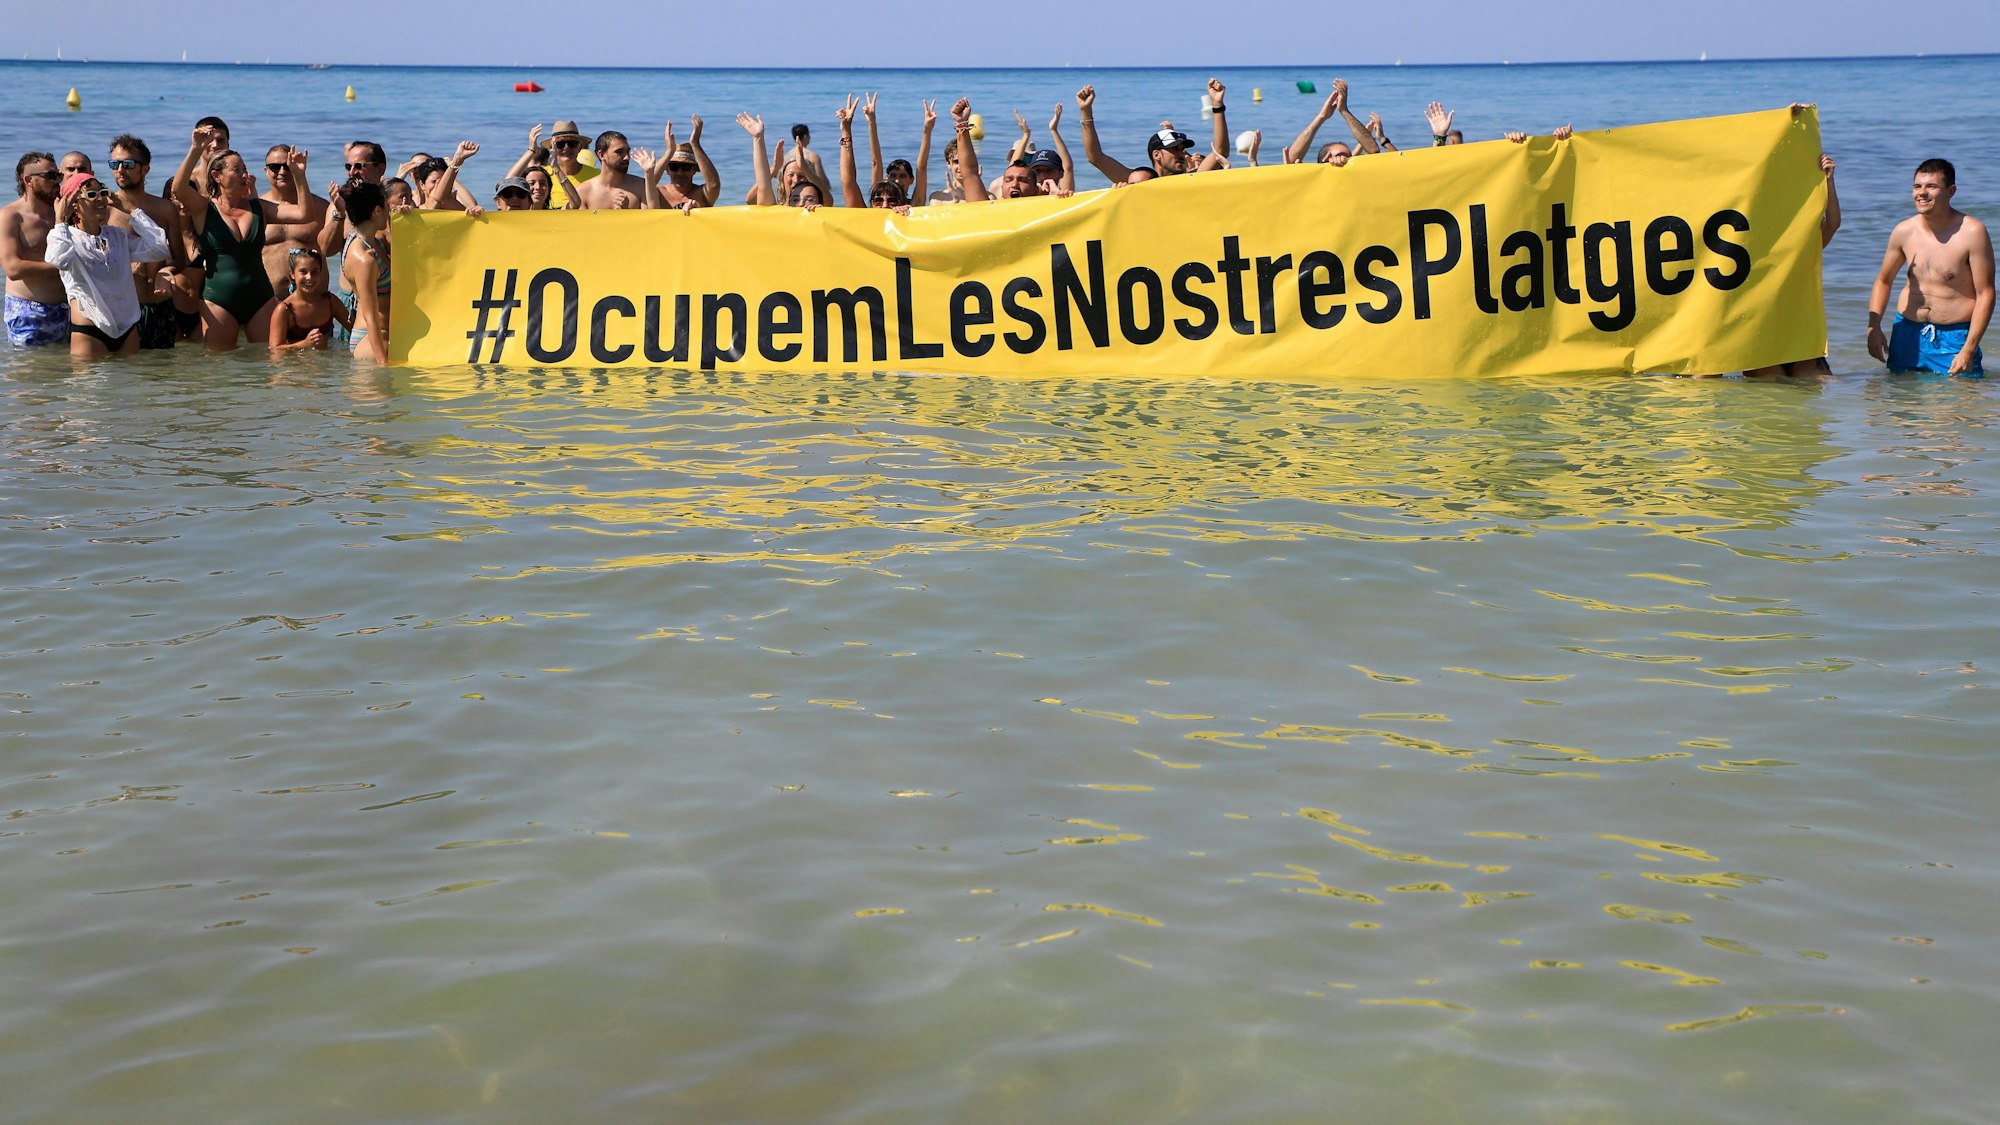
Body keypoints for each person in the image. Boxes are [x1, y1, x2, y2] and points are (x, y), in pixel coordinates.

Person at [168, 125, 318, 348]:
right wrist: (195, 149)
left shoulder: (260, 208)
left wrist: (299, 176)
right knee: (220, 370)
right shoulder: (203, 209)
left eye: (245, 169)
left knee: (267, 364)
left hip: (260, 298)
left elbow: (305, 213)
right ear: (217, 176)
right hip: (218, 299)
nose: (244, 174)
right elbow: (178, 188)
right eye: (237, 170)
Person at [1867, 158, 1994, 376]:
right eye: (1917, 186)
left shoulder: (1972, 232)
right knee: (1902, 403)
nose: (1922, 193)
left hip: (1954, 337)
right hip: (1907, 333)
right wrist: (1874, 327)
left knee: (1959, 406)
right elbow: (1883, 280)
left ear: (1950, 191)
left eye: (1931, 186)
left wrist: (1969, 348)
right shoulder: (1904, 231)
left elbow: (1986, 293)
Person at [46, 171, 172, 357]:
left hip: (127, 328)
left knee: (129, 385)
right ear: (74, 205)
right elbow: (58, 260)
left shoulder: (117, 236)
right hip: (89, 329)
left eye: (103, 193)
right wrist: (60, 221)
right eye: (91, 194)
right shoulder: (64, 237)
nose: (100, 199)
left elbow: (159, 248)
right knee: (92, 387)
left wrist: (132, 211)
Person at [105, 134, 185, 349]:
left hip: (161, 307)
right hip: (123, 309)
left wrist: (165, 272)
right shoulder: (105, 210)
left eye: (128, 164)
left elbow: (179, 258)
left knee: (161, 376)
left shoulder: (165, 209)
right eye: (115, 164)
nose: (120, 170)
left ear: (145, 169)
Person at [1076, 80, 1229, 184]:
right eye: (1174, 149)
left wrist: (1217, 105)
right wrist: (1085, 112)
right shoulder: (1141, 181)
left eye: (1182, 149)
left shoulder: (1191, 178)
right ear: (1157, 155)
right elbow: (1095, 158)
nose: (1181, 154)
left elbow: (1220, 151)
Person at [2, 152, 70, 347]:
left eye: (58, 175)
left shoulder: (61, 213)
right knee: (33, 375)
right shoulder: (10, 217)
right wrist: (64, 267)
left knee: (69, 374)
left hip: (68, 310)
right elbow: (13, 268)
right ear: (29, 180)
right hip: (29, 314)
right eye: (50, 176)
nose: (57, 180)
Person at [259, 144, 330, 296]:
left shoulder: (321, 207)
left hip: (315, 299)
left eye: (288, 166)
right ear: (266, 171)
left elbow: (338, 249)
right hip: (269, 300)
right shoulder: (258, 208)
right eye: (274, 167)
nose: (282, 172)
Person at [336, 179, 390, 364]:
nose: (390, 212)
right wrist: (383, 364)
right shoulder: (363, 259)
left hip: (382, 337)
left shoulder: (372, 240)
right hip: (372, 341)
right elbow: (370, 316)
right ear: (377, 211)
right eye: (387, 207)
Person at [315, 140, 388, 259]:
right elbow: (326, 249)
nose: (351, 172)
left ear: (380, 169)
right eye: (348, 166)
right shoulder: (340, 204)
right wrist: (340, 214)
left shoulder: (391, 202)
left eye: (358, 166)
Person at [268, 247, 351, 352]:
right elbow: (274, 351)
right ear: (292, 274)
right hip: (294, 365)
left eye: (315, 272)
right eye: (303, 272)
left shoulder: (330, 302)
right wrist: (305, 344)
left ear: (321, 274)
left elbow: (355, 329)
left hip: (324, 364)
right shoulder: (284, 309)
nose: (309, 277)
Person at [1284, 81, 1381, 165]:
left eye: (1349, 157)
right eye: (1340, 155)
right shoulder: (1315, 178)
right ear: (1324, 160)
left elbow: (1373, 150)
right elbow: (1291, 161)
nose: (1345, 159)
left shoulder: (1355, 172)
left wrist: (1344, 110)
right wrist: (1321, 117)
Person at [574, 131, 643, 209]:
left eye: (627, 151)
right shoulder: (583, 192)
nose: (626, 157)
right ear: (601, 155)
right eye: (619, 152)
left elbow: (651, 219)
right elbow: (582, 221)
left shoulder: (640, 187)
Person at [541, 120, 598, 208]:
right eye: (560, 144)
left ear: (580, 147)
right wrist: (531, 151)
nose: (566, 148)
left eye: (572, 143)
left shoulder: (597, 175)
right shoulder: (542, 175)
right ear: (552, 148)